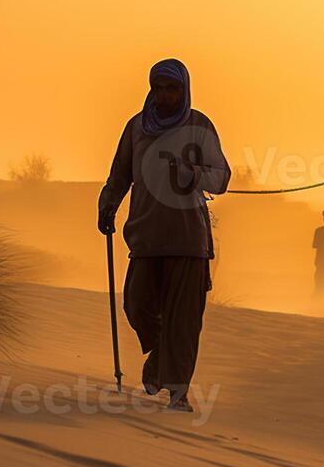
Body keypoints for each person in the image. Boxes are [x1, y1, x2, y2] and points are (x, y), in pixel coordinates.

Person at [97, 59, 230, 412]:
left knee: (184, 320)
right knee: (137, 305)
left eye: (172, 89)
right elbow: (120, 174)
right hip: (145, 233)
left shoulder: (198, 125)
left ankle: (178, 392)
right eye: (159, 88)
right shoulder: (137, 127)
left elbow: (221, 177)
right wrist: (107, 204)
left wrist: (193, 175)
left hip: (189, 239)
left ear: (184, 90)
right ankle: (158, 356)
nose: (165, 95)